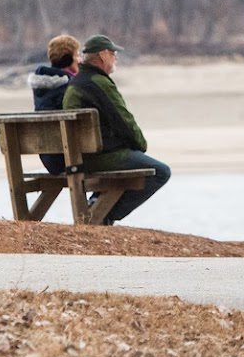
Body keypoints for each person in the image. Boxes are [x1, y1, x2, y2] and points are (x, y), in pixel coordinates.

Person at [62, 34, 172, 225]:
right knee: (161, 172)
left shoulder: (76, 83)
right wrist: (140, 145)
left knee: (136, 163)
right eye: (113, 53)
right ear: (103, 56)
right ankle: (103, 215)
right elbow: (123, 120)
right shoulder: (99, 83)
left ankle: (98, 205)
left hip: (78, 157)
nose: (116, 58)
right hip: (98, 157)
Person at [28, 33, 81, 173]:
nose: (79, 60)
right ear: (68, 58)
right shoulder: (70, 88)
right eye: (77, 55)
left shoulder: (41, 88)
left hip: (48, 158)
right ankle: (97, 196)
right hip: (68, 158)